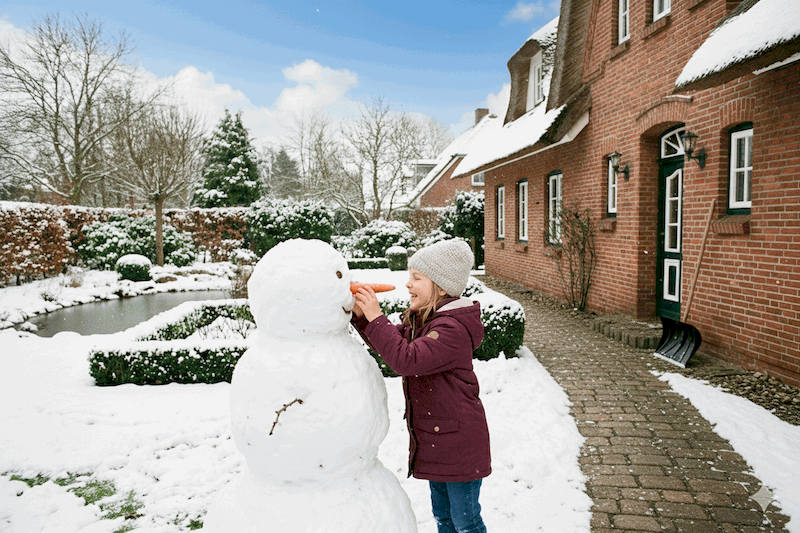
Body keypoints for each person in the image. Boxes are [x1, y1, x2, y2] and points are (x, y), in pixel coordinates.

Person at [351, 239, 491, 533]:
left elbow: (406, 359)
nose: (408, 285)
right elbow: (392, 344)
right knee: (444, 516)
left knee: (466, 522)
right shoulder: (425, 322)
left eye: (416, 278)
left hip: (459, 443)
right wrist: (363, 319)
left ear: (440, 287)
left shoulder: (450, 329)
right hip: (440, 440)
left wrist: (376, 317)